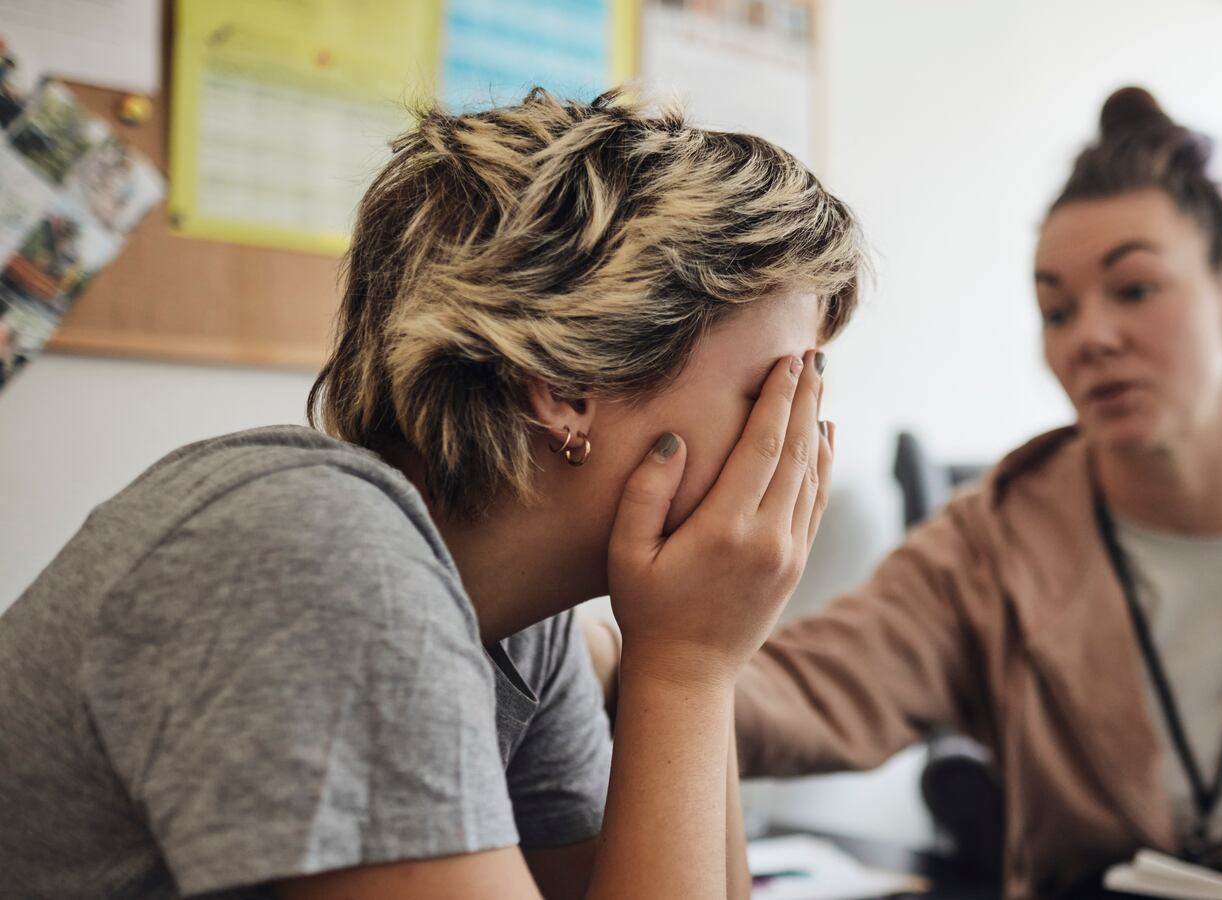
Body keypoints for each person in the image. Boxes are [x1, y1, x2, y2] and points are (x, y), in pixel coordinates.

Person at [0, 89, 861, 899]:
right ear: (565, 385)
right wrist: (687, 670)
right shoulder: (318, 553)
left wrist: (689, 661)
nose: (799, 437)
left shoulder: (521, 629)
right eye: (774, 391)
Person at [728, 88, 1222, 898]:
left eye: (1134, 290)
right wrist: (633, 667)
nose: (1090, 337)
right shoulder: (997, 542)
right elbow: (818, 685)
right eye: (1057, 309)